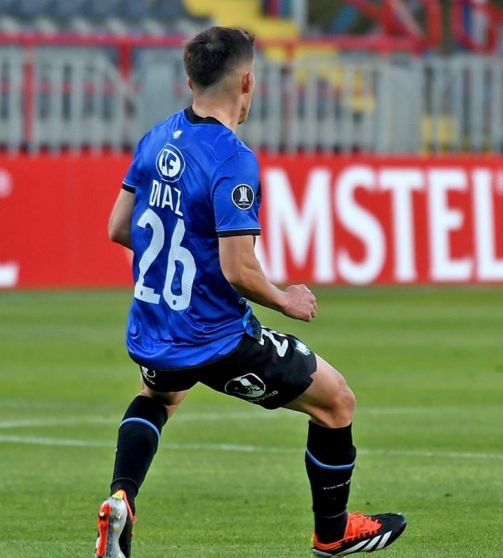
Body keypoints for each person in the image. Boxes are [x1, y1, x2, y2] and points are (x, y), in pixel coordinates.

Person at [95, 27, 405, 558]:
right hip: (217, 337)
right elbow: (238, 269)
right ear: (246, 82)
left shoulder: (156, 137)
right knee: (336, 402)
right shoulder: (232, 158)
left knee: (159, 397)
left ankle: (121, 497)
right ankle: (332, 535)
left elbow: (118, 227)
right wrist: (285, 298)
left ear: (189, 79)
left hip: (157, 324)